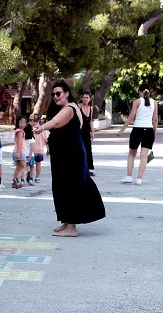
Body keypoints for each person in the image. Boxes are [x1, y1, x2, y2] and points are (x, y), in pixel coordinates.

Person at [34, 82, 106, 237]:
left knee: (69, 187)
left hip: (70, 155)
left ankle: (72, 227)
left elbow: (55, 122)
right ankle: (66, 221)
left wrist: (42, 127)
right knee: (61, 186)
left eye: (58, 93)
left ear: (67, 93)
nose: (55, 97)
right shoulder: (68, 108)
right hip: (64, 155)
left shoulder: (70, 109)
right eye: (53, 94)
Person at [117, 83, 158, 185]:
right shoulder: (154, 102)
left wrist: (122, 130)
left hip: (137, 130)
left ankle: (129, 176)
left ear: (140, 91)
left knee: (132, 154)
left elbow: (131, 117)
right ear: (149, 91)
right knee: (144, 156)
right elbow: (155, 119)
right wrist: (155, 131)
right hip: (149, 131)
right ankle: (139, 178)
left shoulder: (137, 101)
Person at [79, 91, 95, 175]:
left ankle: (87, 169)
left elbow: (90, 121)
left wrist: (92, 132)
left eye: (87, 98)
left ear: (90, 99)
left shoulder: (91, 108)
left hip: (86, 132)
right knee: (80, 149)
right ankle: (79, 168)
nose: (85, 99)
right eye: (84, 97)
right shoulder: (79, 107)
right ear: (82, 98)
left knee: (88, 149)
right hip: (79, 131)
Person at [12, 116, 28, 189]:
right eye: (20, 122)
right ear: (17, 123)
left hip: (16, 151)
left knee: (18, 167)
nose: (22, 123)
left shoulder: (17, 131)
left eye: (24, 122)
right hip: (20, 151)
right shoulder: (20, 132)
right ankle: (17, 179)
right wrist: (18, 152)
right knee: (23, 167)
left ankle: (14, 183)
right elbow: (19, 142)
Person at [30, 114, 47, 183]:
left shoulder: (31, 129)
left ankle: (31, 177)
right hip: (40, 149)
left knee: (31, 164)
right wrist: (48, 149)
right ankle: (37, 177)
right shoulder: (43, 129)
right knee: (38, 163)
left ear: (32, 120)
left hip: (31, 150)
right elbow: (46, 140)